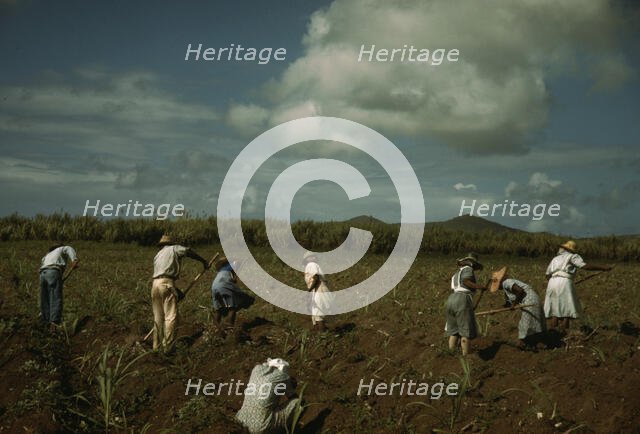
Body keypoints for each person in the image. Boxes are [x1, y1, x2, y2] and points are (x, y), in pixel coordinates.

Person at [151, 234, 208, 353]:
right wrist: (203, 261)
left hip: (155, 285)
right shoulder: (174, 248)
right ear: (171, 243)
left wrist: (176, 291)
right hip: (166, 283)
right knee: (171, 317)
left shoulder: (158, 255)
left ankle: (155, 347)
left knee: (158, 318)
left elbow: (162, 274)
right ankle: (167, 348)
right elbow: (188, 251)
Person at [544, 240, 613, 331]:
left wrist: (556, 282)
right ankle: (564, 331)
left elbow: (547, 275)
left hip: (551, 283)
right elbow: (585, 266)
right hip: (564, 282)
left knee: (555, 309)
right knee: (567, 308)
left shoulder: (555, 259)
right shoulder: (572, 256)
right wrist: (603, 267)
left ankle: (553, 333)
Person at [236, 358, 301, 434]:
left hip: (240, 420)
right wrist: (290, 385)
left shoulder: (256, 370)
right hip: (259, 427)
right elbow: (294, 397)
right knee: (299, 403)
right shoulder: (282, 376)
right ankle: (289, 430)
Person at [445, 253, 488, 356]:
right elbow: (466, 281)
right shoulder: (468, 269)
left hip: (451, 299)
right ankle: (466, 355)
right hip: (462, 298)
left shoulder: (456, 274)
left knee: (454, 330)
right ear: (472, 263)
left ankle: (451, 353)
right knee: (465, 330)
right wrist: (480, 287)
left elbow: (457, 286)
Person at [493, 267, 546, 349]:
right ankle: (533, 343)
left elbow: (520, 291)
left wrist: (514, 304)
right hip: (532, 299)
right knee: (532, 322)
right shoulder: (506, 287)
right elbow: (508, 304)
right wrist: (495, 311)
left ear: (500, 282)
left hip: (530, 301)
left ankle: (524, 344)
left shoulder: (506, 282)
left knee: (525, 324)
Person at [211, 257, 255, 336]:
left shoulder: (222, 270)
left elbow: (233, 278)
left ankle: (213, 330)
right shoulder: (232, 265)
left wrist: (234, 277)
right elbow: (238, 265)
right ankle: (230, 329)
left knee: (219, 310)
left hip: (214, 286)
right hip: (224, 284)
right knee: (232, 308)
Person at [39, 244, 78, 328]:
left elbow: (43, 262)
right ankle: (54, 322)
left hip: (43, 274)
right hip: (53, 272)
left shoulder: (47, 255)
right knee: (55, 297)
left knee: (45, 298)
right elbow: (68, 248)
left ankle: (44, 320)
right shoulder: (61, 249)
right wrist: (74, 259)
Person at [303, 251, 331, 331]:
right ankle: (320, 332)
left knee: (318, 313)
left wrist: (309, 291)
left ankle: (322, 334)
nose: (313, 257)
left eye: (314, 256)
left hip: (318, 289)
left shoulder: (311, 265)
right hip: (318, 289)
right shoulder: (311, 265)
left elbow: (316, 278)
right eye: (311, 256)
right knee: (317, 313)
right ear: (307, 259)